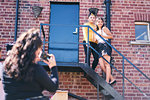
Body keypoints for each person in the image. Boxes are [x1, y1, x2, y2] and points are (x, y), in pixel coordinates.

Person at [2, 28, 59, 100]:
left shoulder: (5, 66)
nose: (39, 55)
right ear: (33, 50)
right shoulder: (34, 68)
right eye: (38, 52)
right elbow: (53, 87)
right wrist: (53, 67)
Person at [95, 17, 116, 85]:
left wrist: (103, 36)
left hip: (105, 46)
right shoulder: (96, 30)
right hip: (99, 47)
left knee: (107, 64)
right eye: (98, 21)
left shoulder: (104, 28)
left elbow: (111, 36)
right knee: (102, 65)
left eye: (101, 21)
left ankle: (107, 81)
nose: (100, 23)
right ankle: (112, 78)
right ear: (96, 23)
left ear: (103, 23)